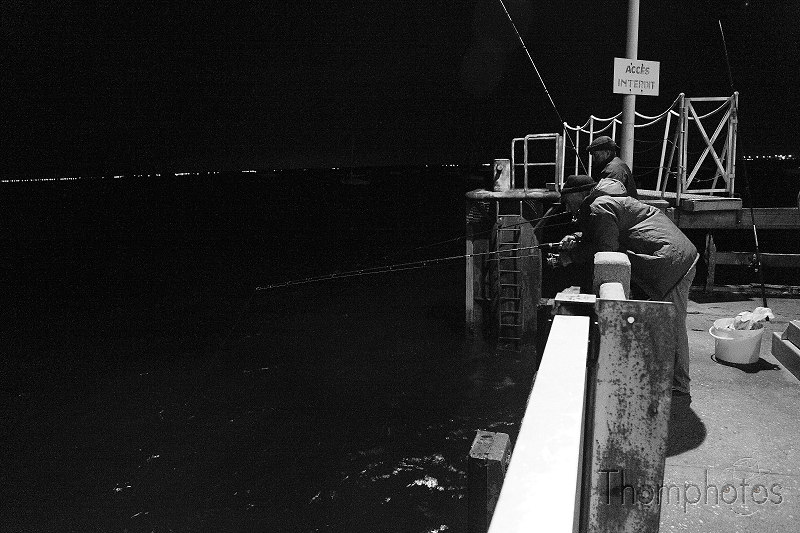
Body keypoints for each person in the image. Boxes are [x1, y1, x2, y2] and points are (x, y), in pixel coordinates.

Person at [557, 174, 698, 397]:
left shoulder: (599, 206)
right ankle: (666, 375)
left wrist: (572, 257)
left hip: (673, 262)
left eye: (566, 199)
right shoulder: (606, 202)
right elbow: (608, 231)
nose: (565, 205)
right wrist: (576, 236)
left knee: (672, 323)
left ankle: (680, 384)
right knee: (666, 321)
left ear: (578, 195)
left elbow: (606, 248)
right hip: (676, 256)